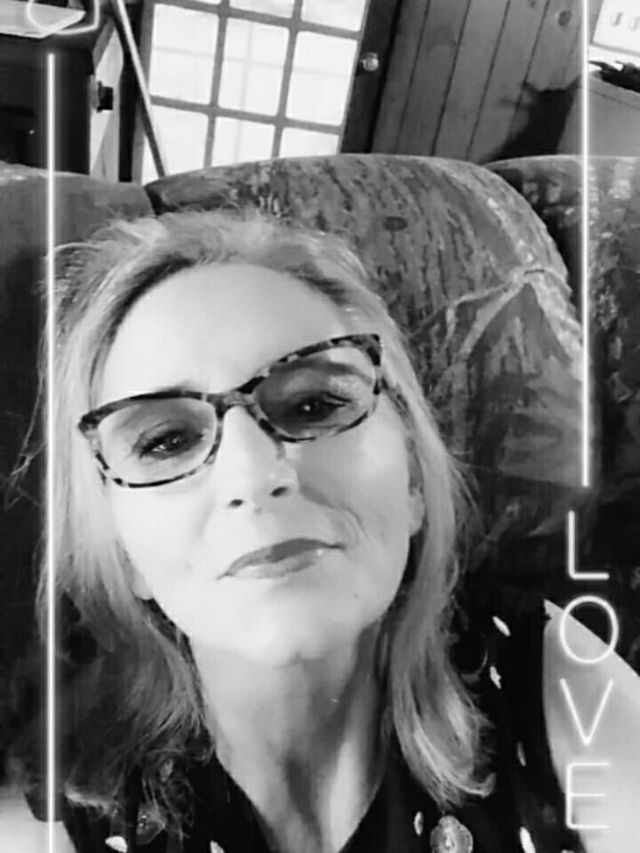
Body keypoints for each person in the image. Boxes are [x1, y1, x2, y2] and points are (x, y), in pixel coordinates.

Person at [8, 210, 640, 853]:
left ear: (414, 481)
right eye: (166, 441)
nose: (253, 474)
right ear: (122, 552)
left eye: (314, 405)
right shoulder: (53, 814)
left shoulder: (554, 683)